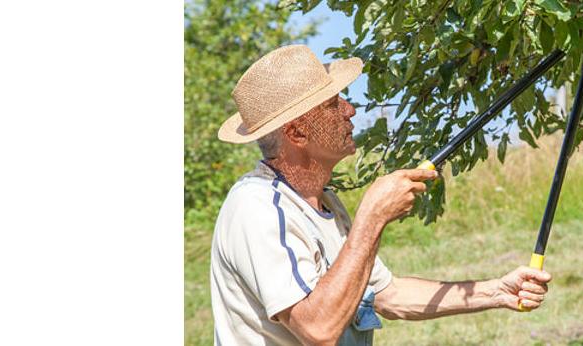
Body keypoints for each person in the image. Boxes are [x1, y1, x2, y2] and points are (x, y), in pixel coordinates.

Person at [209, 44, 553, 345]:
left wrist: (497, 291)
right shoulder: (258, 208)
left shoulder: (323, 202)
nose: (350, 109)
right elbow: (317, 329)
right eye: (332, 104)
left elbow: (388, 296)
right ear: (297, 132)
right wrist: (371, 218)